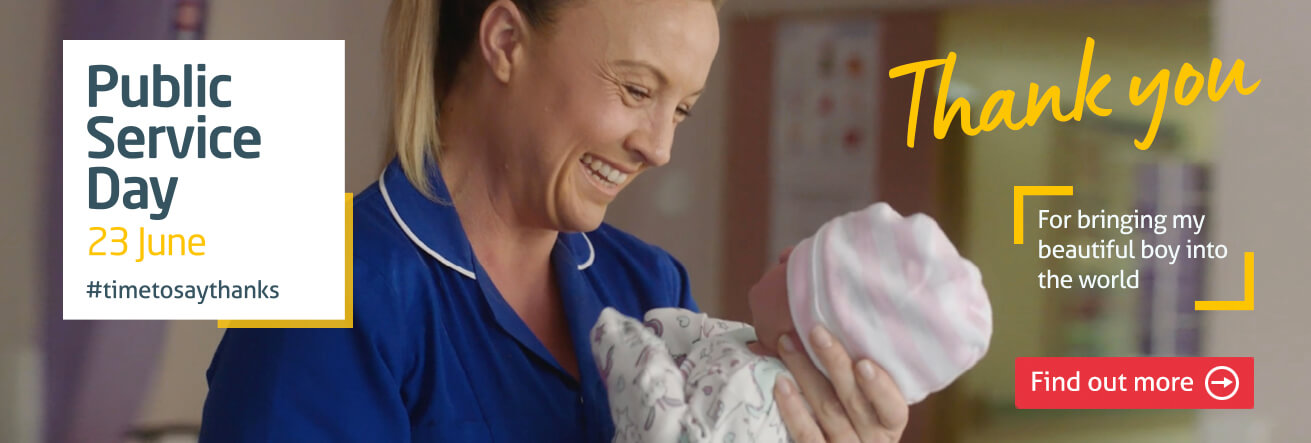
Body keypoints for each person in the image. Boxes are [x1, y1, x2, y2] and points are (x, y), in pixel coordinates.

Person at [199, 0, 909, 441]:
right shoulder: (330, 285)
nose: (659, 147)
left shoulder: (650, 286)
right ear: (506, 40)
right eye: (635, 89)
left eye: (682, 108)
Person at [590, 203, 992, 442]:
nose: (783, 252)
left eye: (797, 265)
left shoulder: (764, 397)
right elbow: (699, 334)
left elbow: (673, 433)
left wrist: (634, 354)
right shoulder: (745, 343)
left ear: (812, 335)